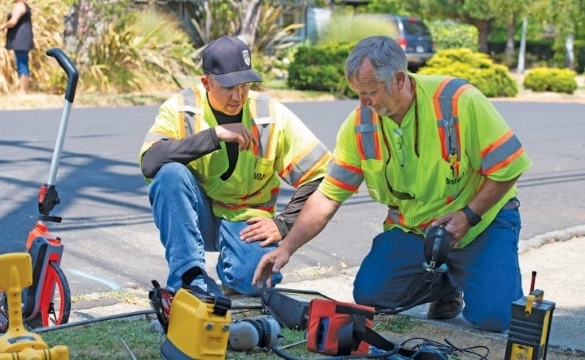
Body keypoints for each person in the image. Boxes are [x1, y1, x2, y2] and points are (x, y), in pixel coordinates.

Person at [252, 35, 532, 333]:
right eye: (358, 93)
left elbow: (509, 167)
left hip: (479, 224)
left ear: (399, 79)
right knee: (371, 295)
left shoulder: (459, 101)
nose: (363, 103)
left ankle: (464, 273)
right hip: (415, 231)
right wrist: (287, 249)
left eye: (370, 92)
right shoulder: (360, 124)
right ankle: (446, 284)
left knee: (496, 318)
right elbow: (327, 197)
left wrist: (468, 216)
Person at [138, 35, 331, 296]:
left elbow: (321, 173)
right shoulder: (182, 108)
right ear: (206, 82)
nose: (238, 96)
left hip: (245, 220)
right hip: (197, 215)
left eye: (244, 86)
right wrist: (213, 135)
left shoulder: (270, 115)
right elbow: (150, 162)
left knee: (257, 283)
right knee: (170, 174)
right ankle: (189, 278)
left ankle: (233, 272)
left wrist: (283, 223)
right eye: (228, 87)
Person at [0, 0, 34, 95]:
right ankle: (23, 89)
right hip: (21, 39)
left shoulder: (20, 5)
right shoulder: (23, 5)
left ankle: (23, 90)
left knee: (22, 64)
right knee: (22, 63)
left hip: (21, 39)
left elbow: (13, 21)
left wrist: (3, 26)